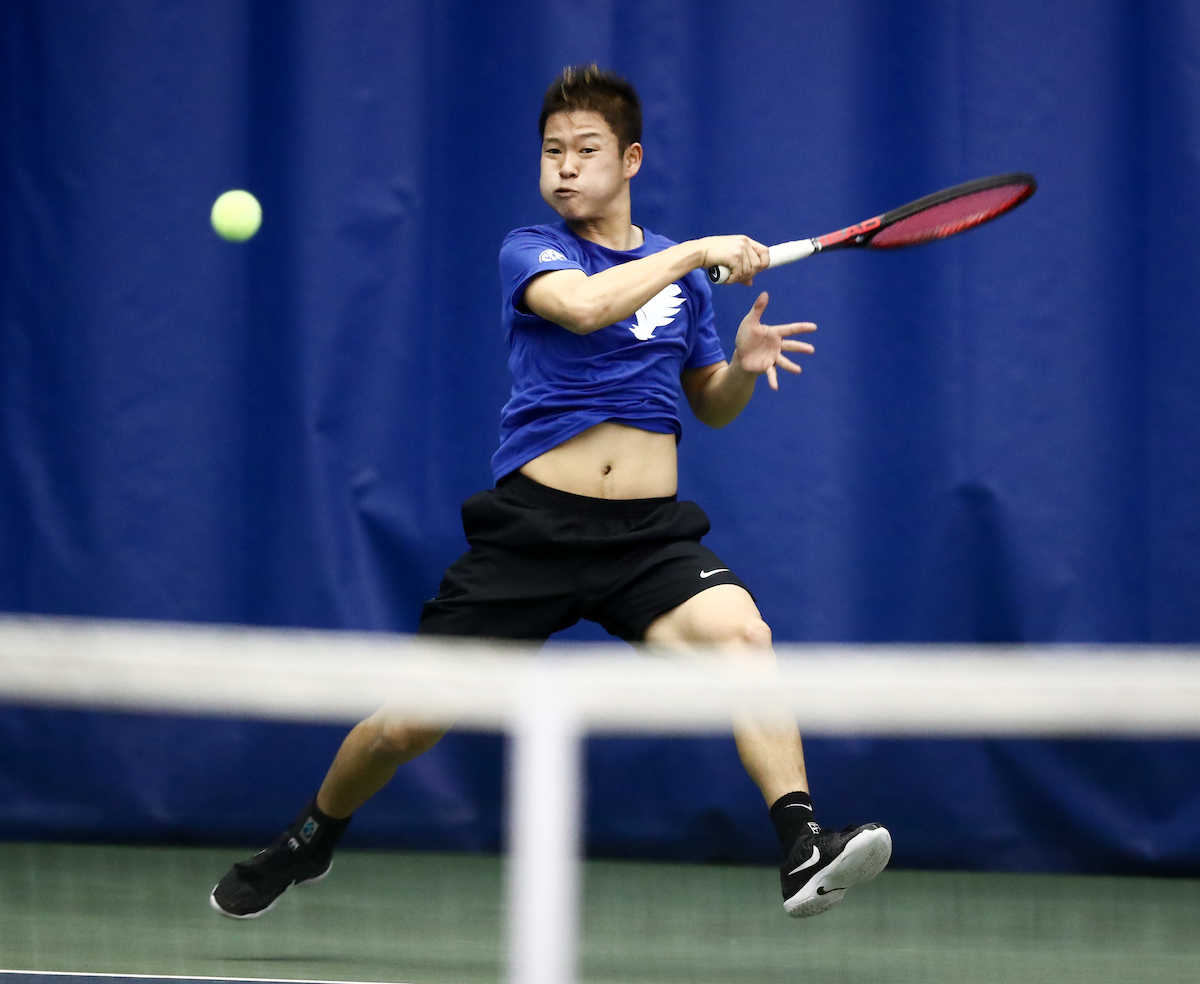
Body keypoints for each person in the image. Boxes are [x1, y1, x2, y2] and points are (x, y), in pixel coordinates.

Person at [210, 64, 891, 922]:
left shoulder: (680, 283)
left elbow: (708, 405)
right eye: (552, 152)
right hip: (533, 534)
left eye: (586, 150)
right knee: (405, 728)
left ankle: (800, 848)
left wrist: (742, 368)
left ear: (631, 158)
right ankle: (309, 839)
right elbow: (582, 310)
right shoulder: (533, 250)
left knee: (744, 641)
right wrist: (692, 250)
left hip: (648, 539)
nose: (565, 167)